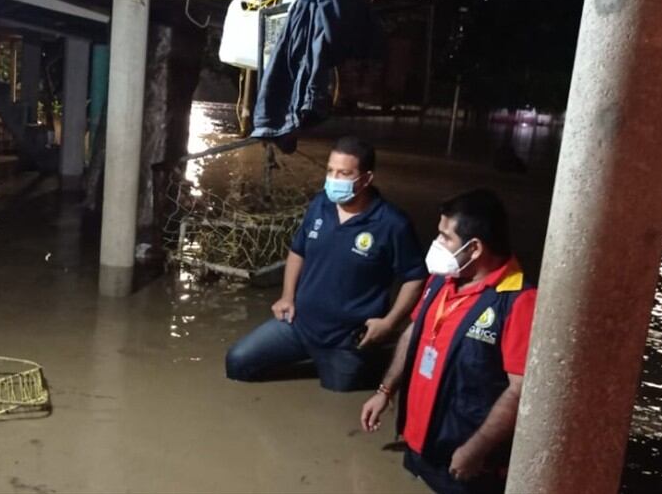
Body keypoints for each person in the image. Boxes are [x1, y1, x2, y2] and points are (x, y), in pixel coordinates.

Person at [360, 189, 538, 494]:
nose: (437, 244)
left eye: (445, 237)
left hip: (463, 456)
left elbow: (520, 389)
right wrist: (385, 390)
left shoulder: (518, 301)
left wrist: (477, 448)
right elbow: (412, 334)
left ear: (475, 248)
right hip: (420, 441)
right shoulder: (444, 278)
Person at [226, 136, 428, 391]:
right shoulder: (320, 204)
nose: (334, 179)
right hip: (299, 324)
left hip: (346, 339)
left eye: (344, 173)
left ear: (365, 179)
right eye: (330, 171)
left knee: (340, 390)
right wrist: (287, 296)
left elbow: (415, 277)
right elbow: (298, 251)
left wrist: (389, 323)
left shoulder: (392, 224)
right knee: (238, 363)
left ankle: (376, 355)